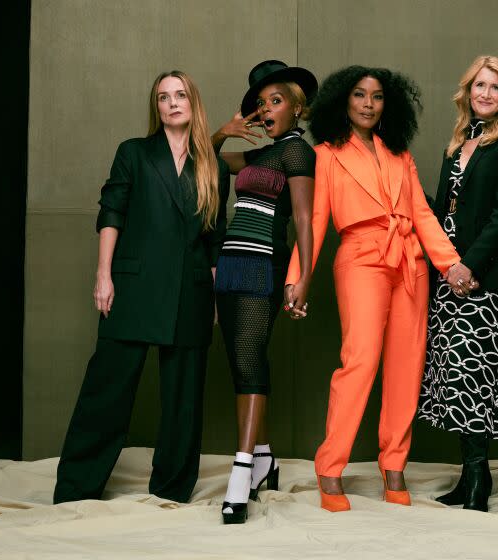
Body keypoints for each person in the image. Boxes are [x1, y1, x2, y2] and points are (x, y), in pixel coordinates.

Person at [286, 65, 464, 512]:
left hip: (411, 261)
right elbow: (317, 221)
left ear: (389, 104)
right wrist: (298, 278)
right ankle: (330, 467)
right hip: (361, 257)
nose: (368, 104)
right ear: (343, 101)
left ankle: (395, 464)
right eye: (360, 95)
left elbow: (422, 213)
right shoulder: (326, 153)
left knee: (407, 366)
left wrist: (451, 264)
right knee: (360, 361)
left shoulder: (399, 153)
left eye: (378, 96)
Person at [54, 71, 229, 504]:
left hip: (191, 290)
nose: (172, 103)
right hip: (133, 285)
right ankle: (77, 488)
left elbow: (213, 239)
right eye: (163, 97)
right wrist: (103, 274)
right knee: (106, 393)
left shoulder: (214, 166)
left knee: (184, 400)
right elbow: (111, 212)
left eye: (180, 95)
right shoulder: (133, 153)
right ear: (157, 106)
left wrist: (216, 296)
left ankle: (172, 490)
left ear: (193, 102)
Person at [418, 55, 498, 512]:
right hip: (450, 274)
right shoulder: (459, 142)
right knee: (459, 378)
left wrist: (470, 265)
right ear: (466, 92)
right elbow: (447, 207)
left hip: (483, 277)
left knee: (478, 377)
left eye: (494, 86)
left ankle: (480, 482)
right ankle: (470, 478)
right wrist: (446, 265)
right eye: (478, 86)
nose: (485, 93)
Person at [210, 60, 318, 524]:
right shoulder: (257, 156)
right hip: (230, 264)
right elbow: (205, 160)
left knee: (251, 358)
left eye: (276, 100)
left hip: (262, 265)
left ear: (298, 107)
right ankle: (265, 458)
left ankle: (241, 474)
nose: (267, 108)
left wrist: (304, 277)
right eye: (261, 103)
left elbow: (305, 218)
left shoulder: (298, 152)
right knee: (240, 360)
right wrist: (222, 132)